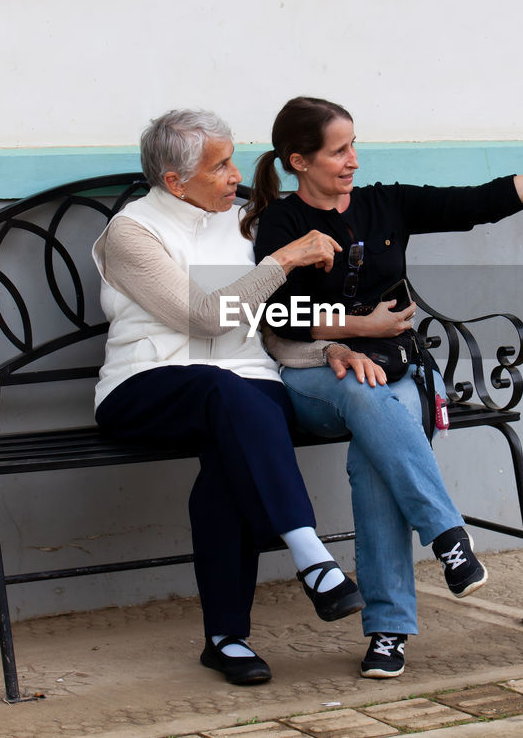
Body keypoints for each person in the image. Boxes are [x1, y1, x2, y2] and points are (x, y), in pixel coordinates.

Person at [245, 96, 523, 679]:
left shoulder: (385, 203)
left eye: (354, 145)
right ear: (299, 161)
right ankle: (447, 534)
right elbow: (271, 315)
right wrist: (355, 330)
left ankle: (388, 634)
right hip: (316, 378)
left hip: (395, 369)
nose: (352, 159)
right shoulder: (283, 224)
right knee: (360, 394)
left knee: (375, 453)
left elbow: (479, 203)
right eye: (338, 150)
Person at [92, 108, 383, 686]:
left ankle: (227, 639)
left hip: (245, 392)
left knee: (235, 439)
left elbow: (274, 317)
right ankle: (312, 558)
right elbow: (202, 318)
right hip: (148, 385)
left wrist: (327, 347)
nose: (234, 175)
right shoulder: (134, 232)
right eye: (219, 165)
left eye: (232, 160)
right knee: (227, 392)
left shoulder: (247, 222)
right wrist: (282, 260)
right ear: (175, 181)